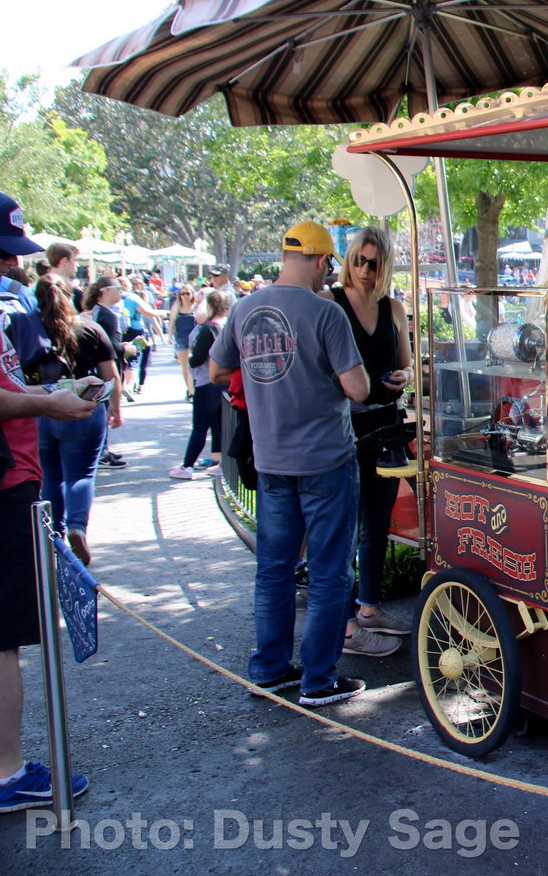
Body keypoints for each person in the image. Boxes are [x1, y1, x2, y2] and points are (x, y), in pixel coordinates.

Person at [209, 221, 374, 707]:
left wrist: (269, 391)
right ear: (323, 261)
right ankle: (318, 681)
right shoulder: (325, 314)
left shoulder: (243, 309)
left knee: (274, 569)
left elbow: (218, 371)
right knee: (328, 573)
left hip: (272, 459)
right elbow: (358, 388)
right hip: (325, 459)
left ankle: (270, 668)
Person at [0, 188, 100, 814]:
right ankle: (5, 773)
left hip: (16, 483)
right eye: (1, 252)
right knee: (2, 636)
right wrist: (49, 403)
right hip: (3, 488)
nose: (9, 265)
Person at [327, 227, 413, 652]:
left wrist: (405, 377)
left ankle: (369, 606)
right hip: (342, 427)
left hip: (385, 423)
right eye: (358, 260)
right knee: (342, 525)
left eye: (373, 262)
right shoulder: (331, 302)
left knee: (377, 522)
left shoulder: (393, 306)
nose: (364, 269)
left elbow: (407, 365)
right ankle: (344, 626)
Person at [32, 275, 121, 565]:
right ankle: (77, 526)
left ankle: (54, 535)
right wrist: (115, 408)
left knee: (51, 475)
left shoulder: (27, 327)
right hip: (84, 407)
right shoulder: (90, 328)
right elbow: (111, 376)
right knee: (81, 474)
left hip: (42, 407)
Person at [169, 290, 229, 480]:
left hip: (207, 382)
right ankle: (220, 462)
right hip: (222, 382)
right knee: (218, 425)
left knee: (200, 426)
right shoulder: (225, 326)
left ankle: (187, 466)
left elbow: (197, 359)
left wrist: (192, 360)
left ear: (210, 307)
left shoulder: (209, 328)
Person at [83, 276, 130, 468]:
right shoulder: (104, 315)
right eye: (117, 288)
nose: (121, 291)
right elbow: (107, 348)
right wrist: (125, 349)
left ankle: (103, 449)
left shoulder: (99, 313)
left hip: (98, 369)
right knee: (104, 409)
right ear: (105, 291)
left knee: (103, 411)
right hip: (103, 371)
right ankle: (101, 452)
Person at [168, 284, 198, 401]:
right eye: (182, 293)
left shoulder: (196, 307)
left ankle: (192, 392)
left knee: (191, 365)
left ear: (192, 294)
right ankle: (189, 389)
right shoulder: (176, 306)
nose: (185, 296)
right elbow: (172, 322)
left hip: (194, 338)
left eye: (187, 293)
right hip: (180, 337)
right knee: (184, 366)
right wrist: (169, 336)